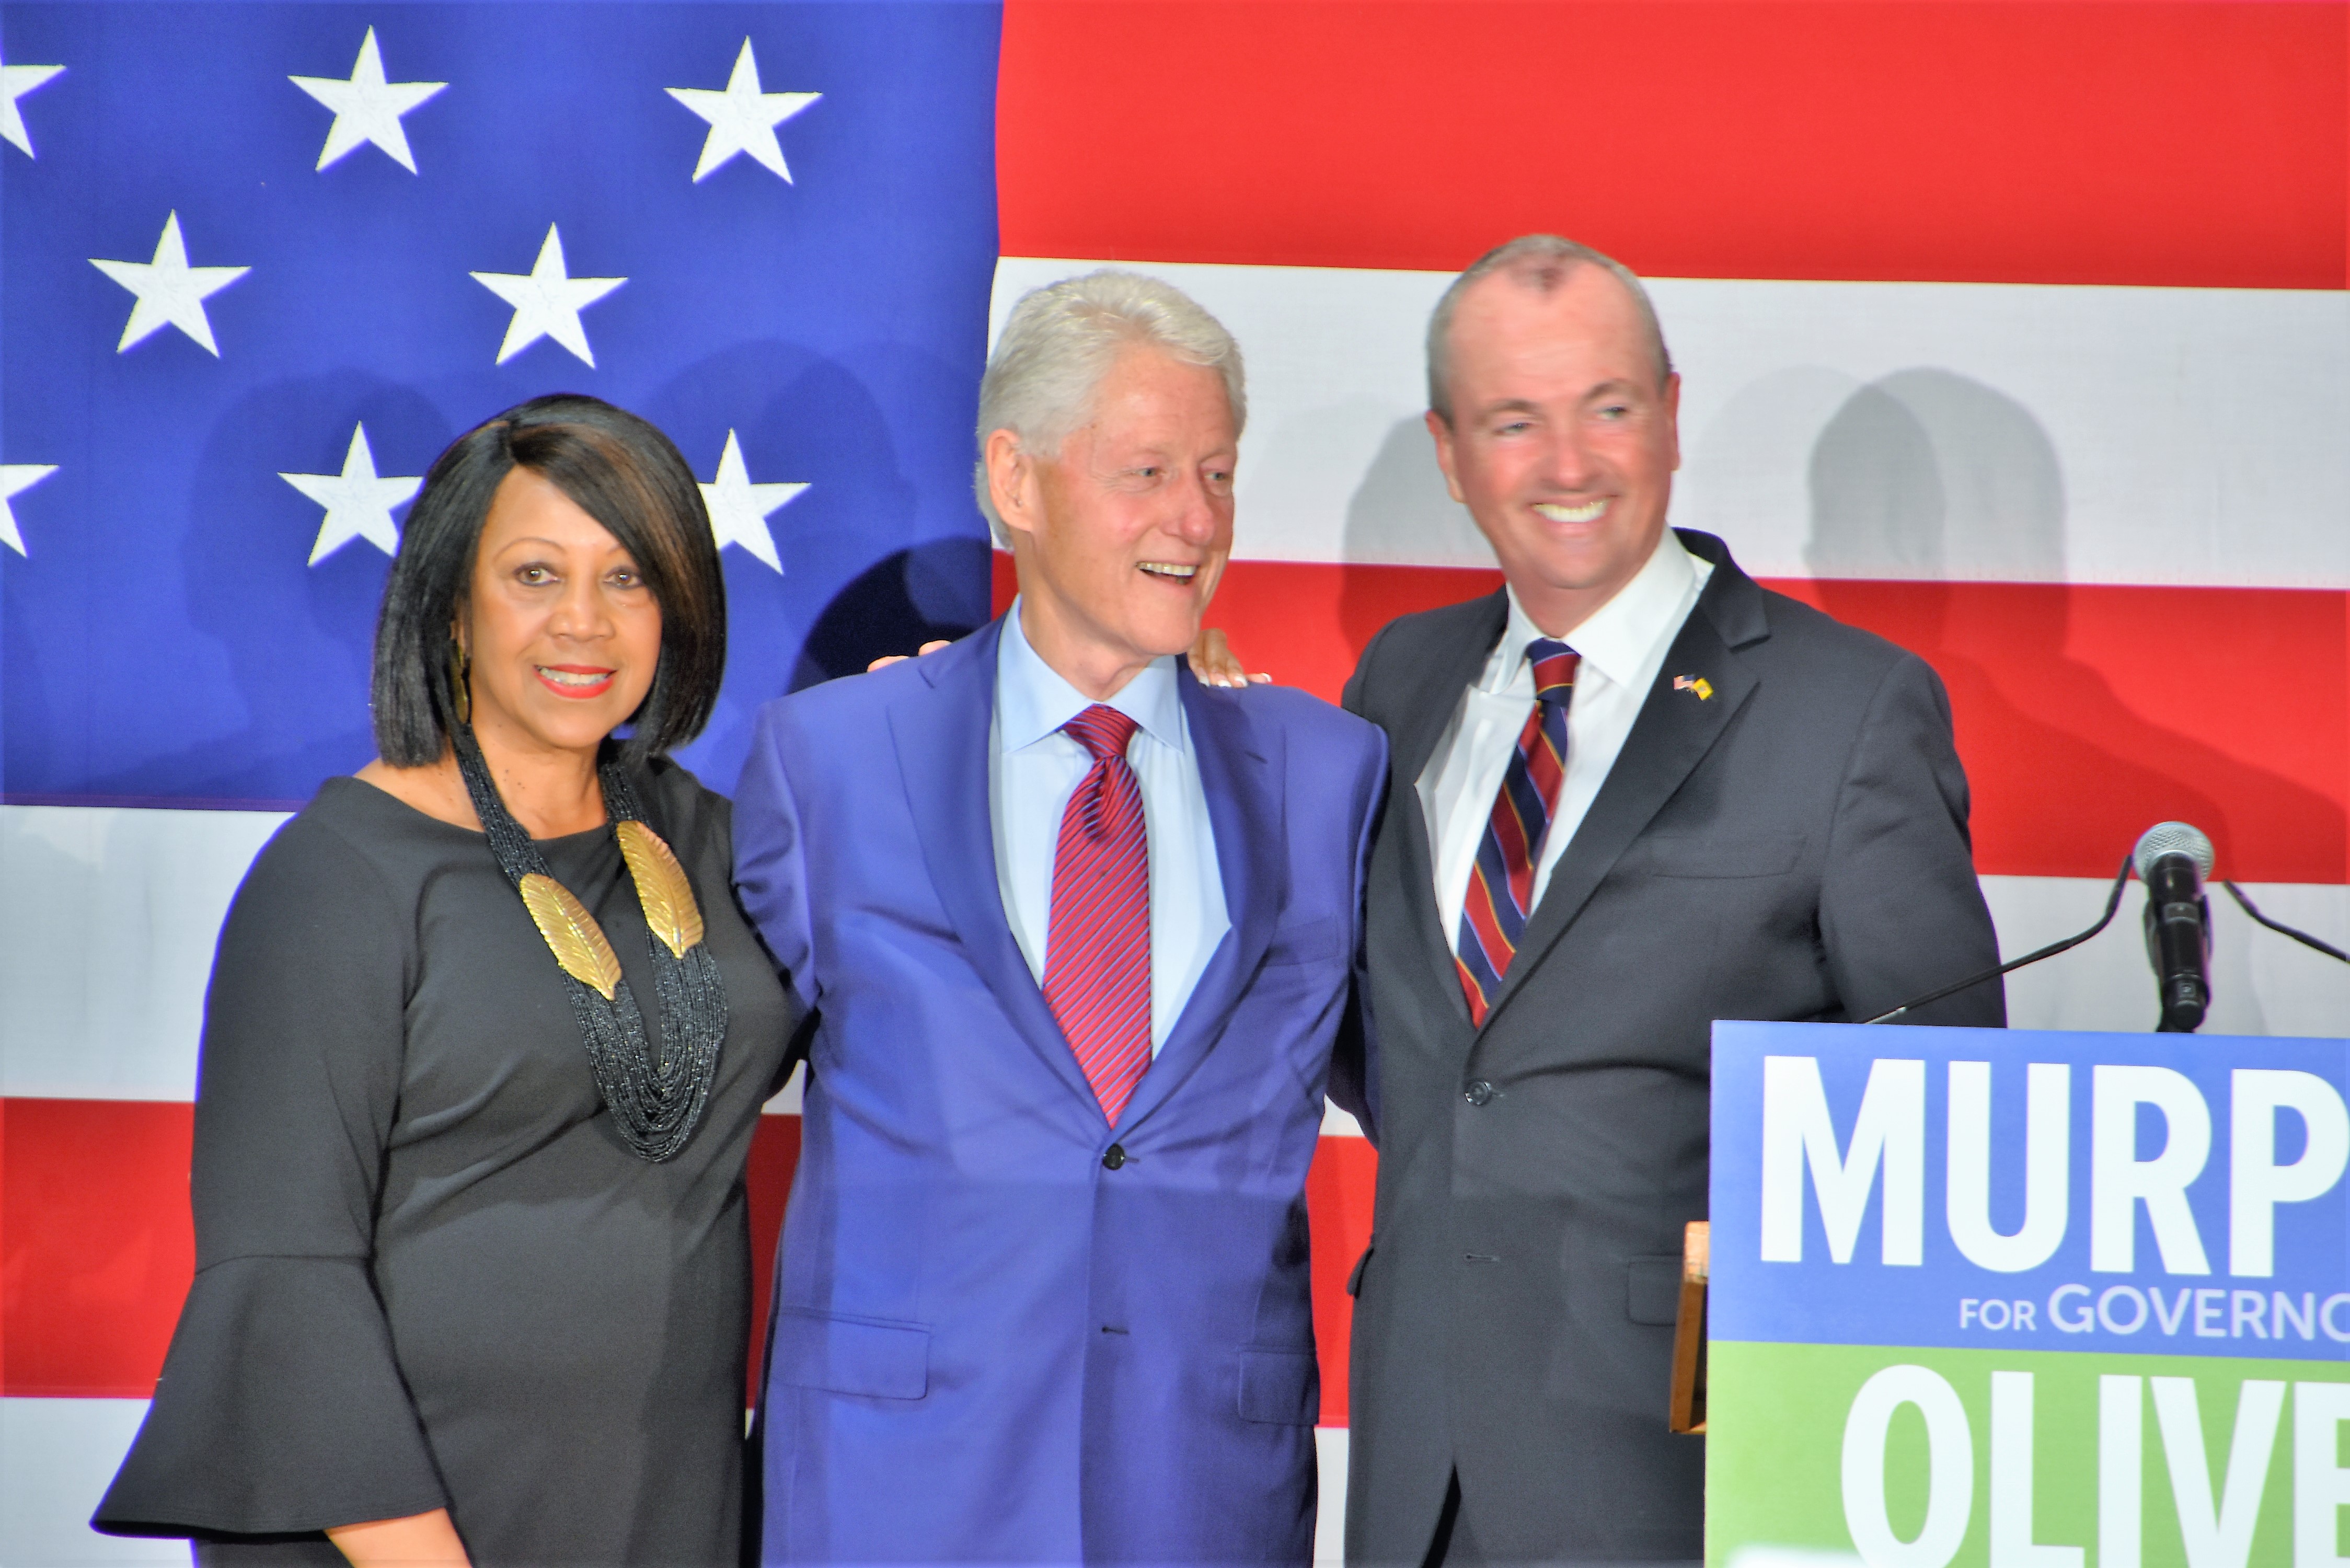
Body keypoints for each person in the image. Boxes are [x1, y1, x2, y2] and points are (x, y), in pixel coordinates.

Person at [1337, 237, 2005, 1565]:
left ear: (1672, 414)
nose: (1569, 464)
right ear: (1450, 451)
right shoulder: (1395, 685)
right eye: (1515, 421)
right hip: (1416, 1466)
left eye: (1609, 407)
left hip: (1686, 1475)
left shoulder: (1846, 709)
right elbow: (1392, 1047)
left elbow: (1935, 1123)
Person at [731, 270, 1386, 1565]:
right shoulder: (836, 759)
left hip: (1201, 1494)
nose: (1195, 519)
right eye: (1145, 471)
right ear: (1016, 482)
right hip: (896, 1494)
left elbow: (1422, 1088)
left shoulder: (1327, 773)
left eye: (1216, 473)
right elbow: (690, 1117)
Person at [93, 395, 799, 1568]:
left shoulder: (720, 842)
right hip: (398, 1531)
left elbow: (942, 969)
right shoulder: (340, 876)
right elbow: (286, 1275)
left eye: (627, 578)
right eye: (535, 574)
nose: (584, 623)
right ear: (454, 609)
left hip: (658, 1511)